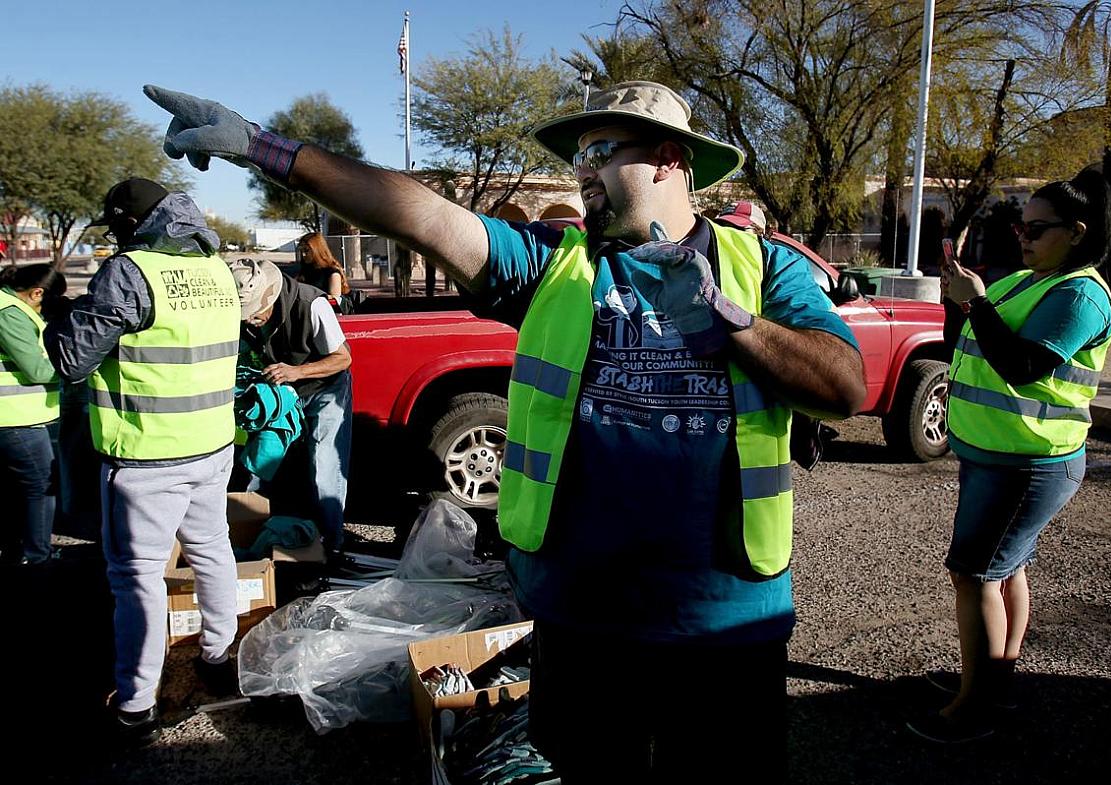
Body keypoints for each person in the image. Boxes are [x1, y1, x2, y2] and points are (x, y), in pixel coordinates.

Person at [145, 80, 866, 781]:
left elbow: (843, 387)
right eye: (577, 154)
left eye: (604, 149)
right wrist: (265, 149)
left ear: (670, 160)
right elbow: (419, 214)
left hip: (726, 624)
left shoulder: (761, 267)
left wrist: (730, 323)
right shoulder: (553, 266)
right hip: (582, 621)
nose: (583, 169)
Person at [907, 169, 1111, 744]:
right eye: (1021, 227)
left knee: (973, 574)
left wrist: (976, 304)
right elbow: (969, 346)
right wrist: (962, 302)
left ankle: (975, 707)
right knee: (1005, 569)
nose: (1023, 237)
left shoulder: (1079, 294)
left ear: (1076, 232)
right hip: (996, 455)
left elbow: (1026, 365)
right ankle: (994, 681)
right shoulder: (1029, 280)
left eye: (1037, 229)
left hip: (1029, 464)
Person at [46, 178, 243, 746]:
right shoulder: (216, 267)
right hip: (211, 443)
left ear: (132, 225)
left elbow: (71, 360)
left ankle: (135, 703)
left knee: (136, 578)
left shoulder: (130, 271)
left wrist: (67, 313)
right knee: (212, 548)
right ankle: (218, 654)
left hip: (146, 454)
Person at [228, 257, 353, 555]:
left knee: (324, 466)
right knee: (262, 457)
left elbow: (343, 358)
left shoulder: (312, 304)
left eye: (255, 313)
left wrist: (297, 372)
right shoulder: (248, 318)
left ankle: (332, 544)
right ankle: (245, 531)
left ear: (270, 295)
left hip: (324, 388)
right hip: (284, 390)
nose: (249, 321)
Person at [0, 264, 65, 566]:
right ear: (37, 292)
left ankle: (16, 551)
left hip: (16, 420)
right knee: (41, 488)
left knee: (17, 491)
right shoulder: (10, 313)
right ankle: (37, 556)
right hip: (16, 421)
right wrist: (74, 367)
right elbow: (36, 369)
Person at [295, 231, 351, 311]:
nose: (303, 254)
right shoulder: (304, 271)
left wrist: (314, 297)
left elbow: (335, 299)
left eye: (307, 250)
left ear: (317, 250)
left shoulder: (332, 273)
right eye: (301, 251)